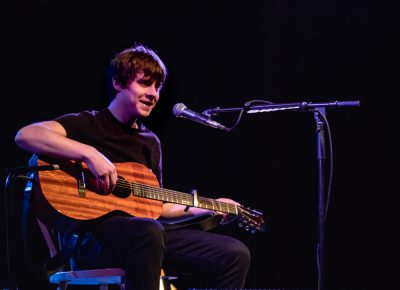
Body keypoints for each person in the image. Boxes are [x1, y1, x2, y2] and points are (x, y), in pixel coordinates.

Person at [14, 44, 251, 290]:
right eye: (145, 83)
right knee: (148, 231)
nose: (154, 94)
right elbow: (26, 135)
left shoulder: (150, 143)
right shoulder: (89, 124)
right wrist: (90, 154)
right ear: (118, 82)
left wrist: (209, 207)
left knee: (234, 253)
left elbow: (156, 205)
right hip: (93, 239)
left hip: (146, 237)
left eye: (158, 87)